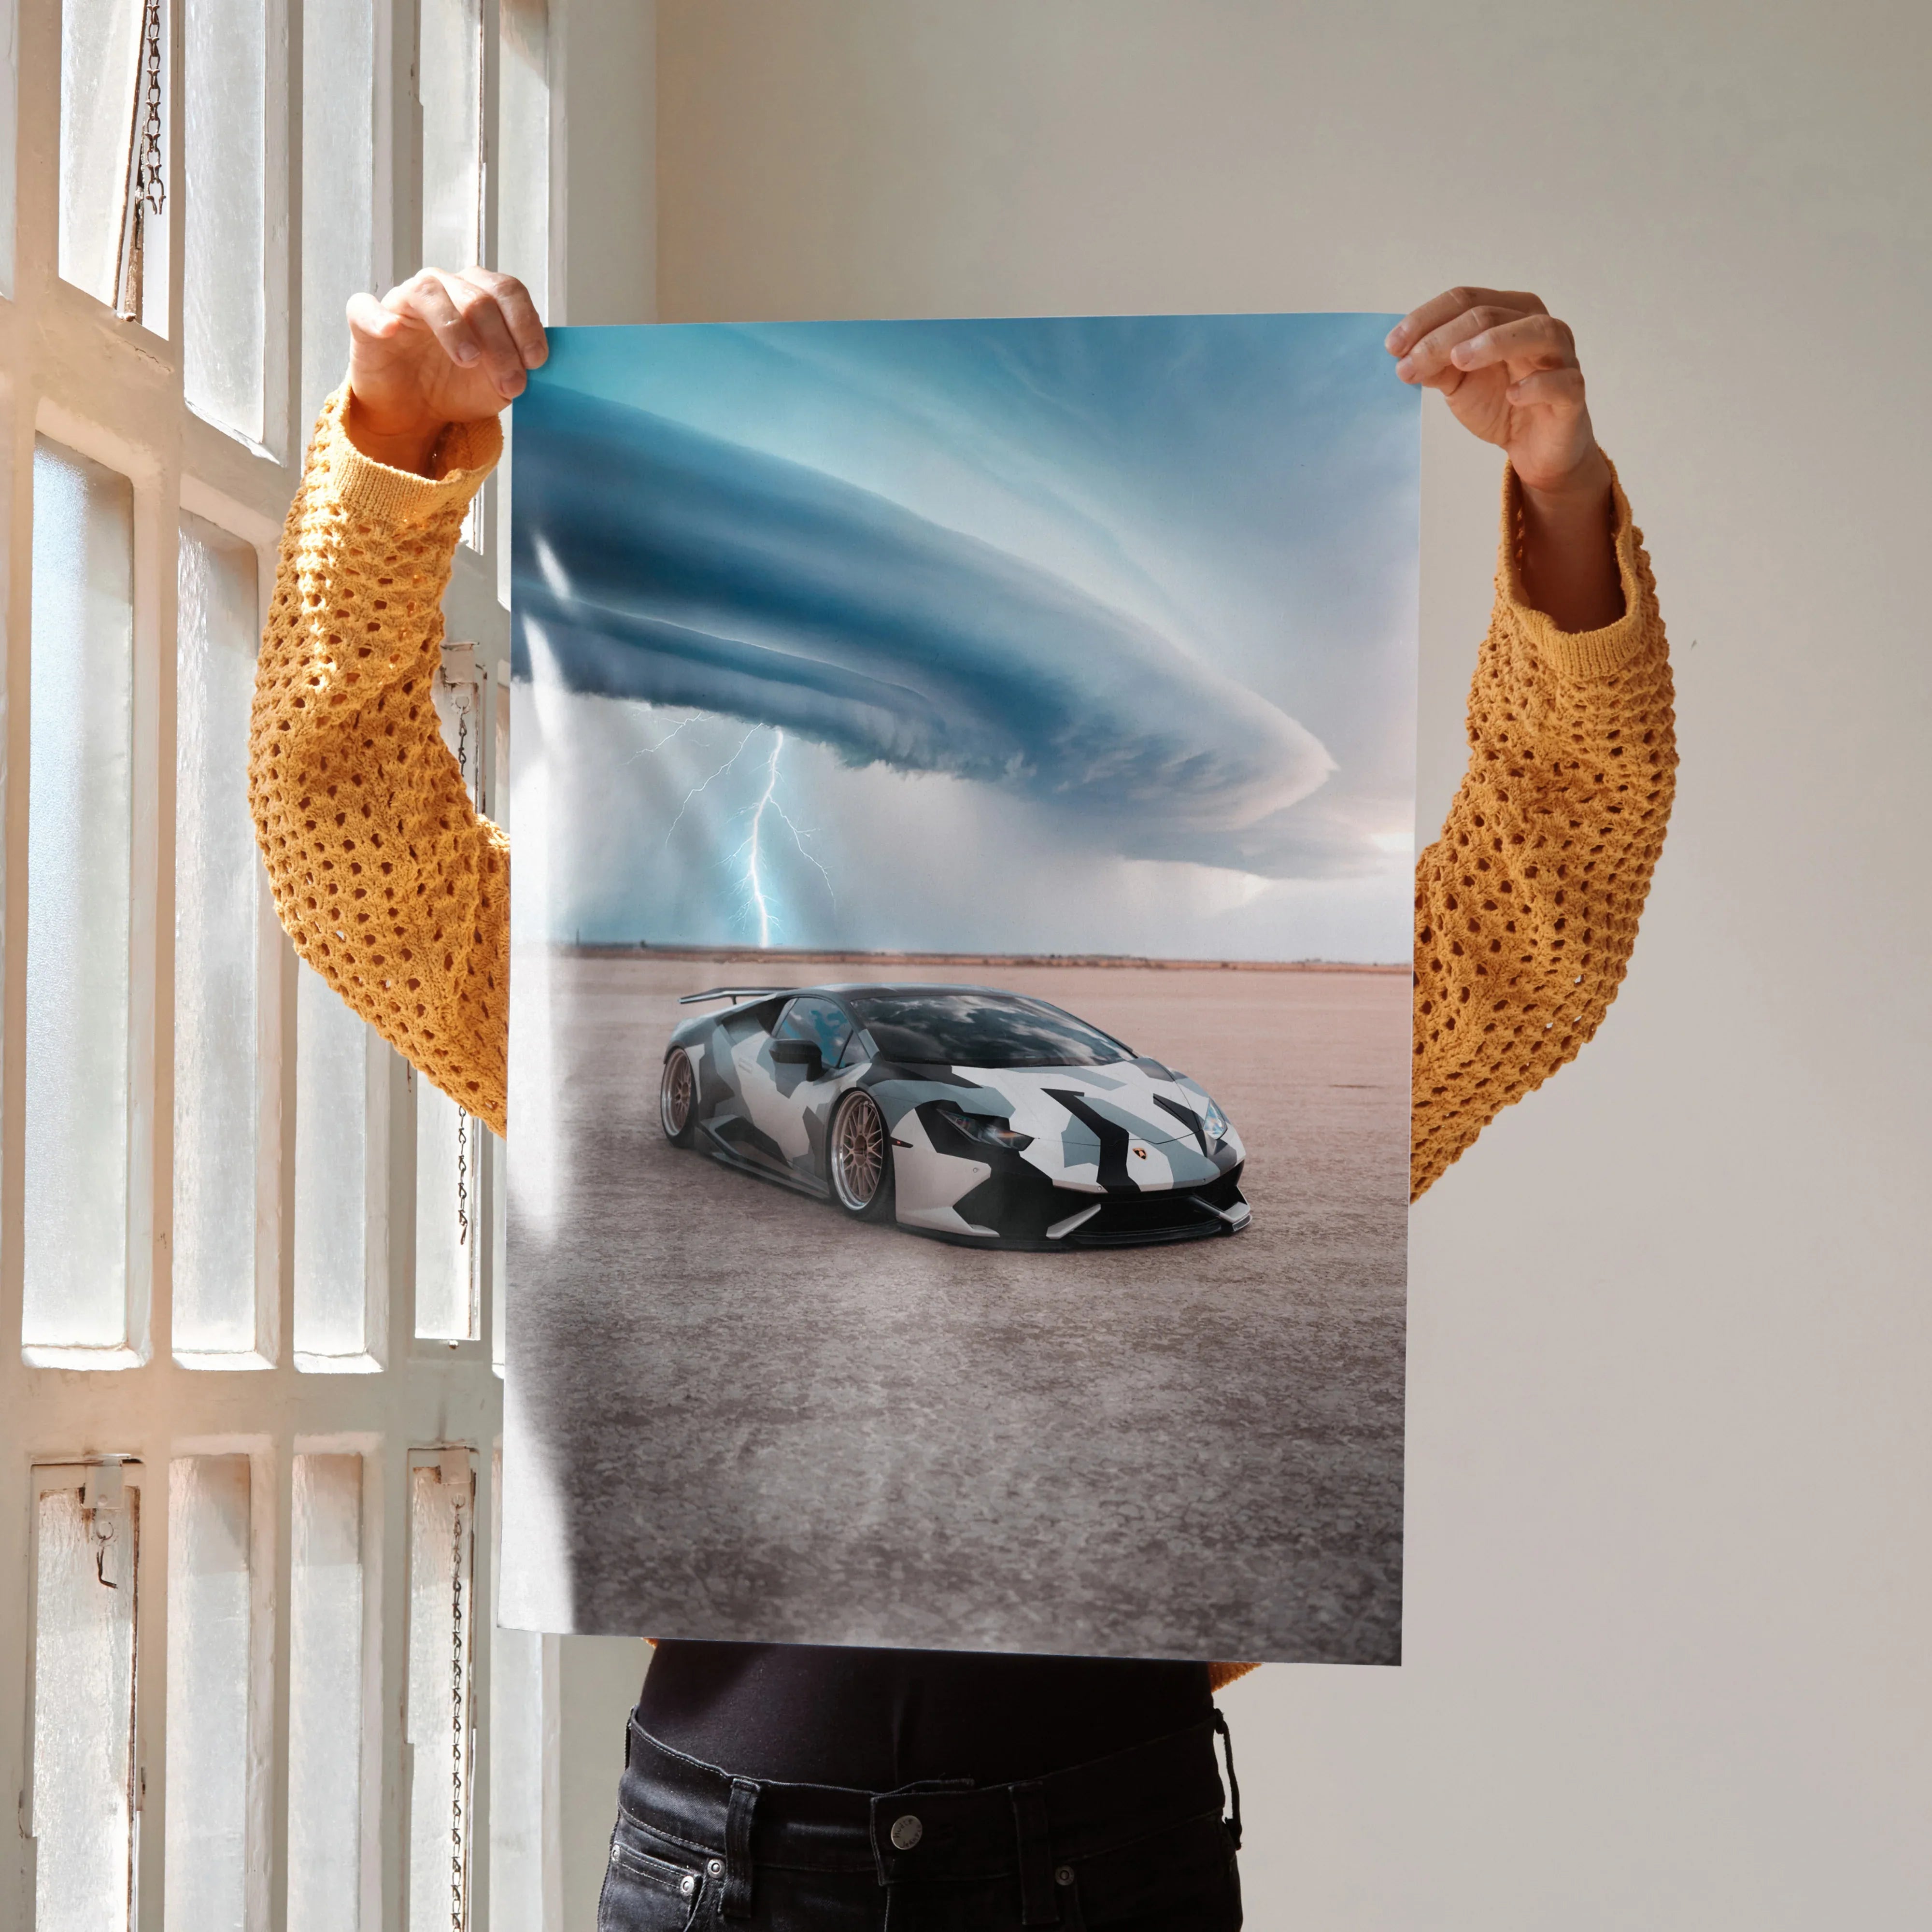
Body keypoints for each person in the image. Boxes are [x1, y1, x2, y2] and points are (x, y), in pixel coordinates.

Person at [250, 268, 1675, 1930]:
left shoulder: (1247, 1057)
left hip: (1105, 1851)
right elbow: (347, 841)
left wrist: (1560, 498)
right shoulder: (614, 1019)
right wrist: (392, 447)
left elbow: (1544, 906)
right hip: (730, 1865)